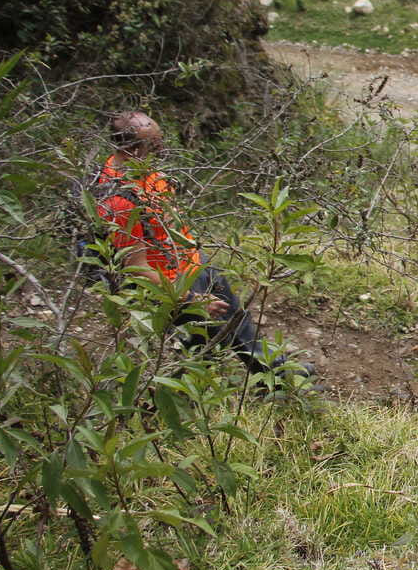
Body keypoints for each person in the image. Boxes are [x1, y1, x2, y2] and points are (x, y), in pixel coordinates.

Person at [90, 110, 286, 375]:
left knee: (236, 323)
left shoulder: (139, 169)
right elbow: (136, 268)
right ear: (133, 149)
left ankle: (278, 375)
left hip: (192, 266)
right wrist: (193, 299)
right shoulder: (120, 201)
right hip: (174, 286)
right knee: (202, 350)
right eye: (154, 145)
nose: (161, 151)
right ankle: (168, 406)